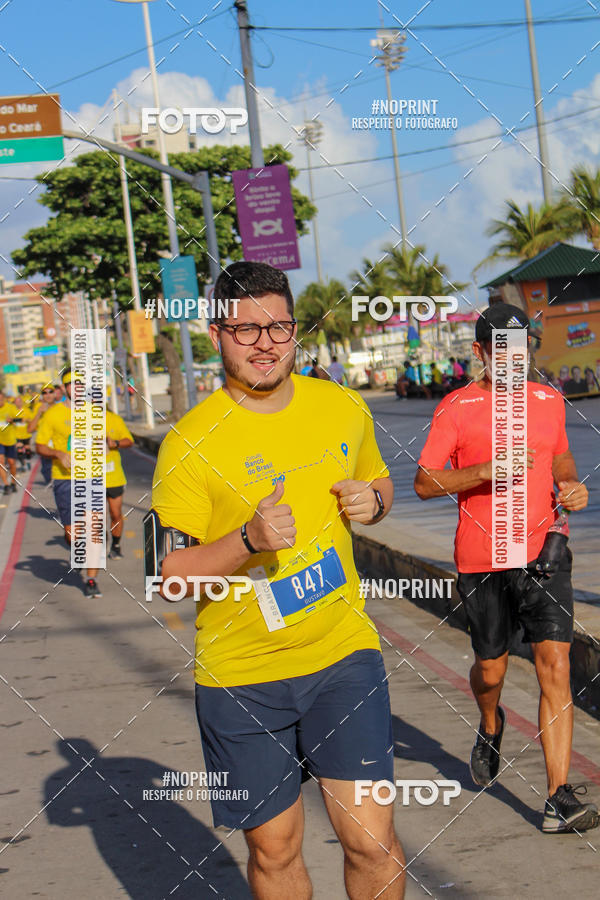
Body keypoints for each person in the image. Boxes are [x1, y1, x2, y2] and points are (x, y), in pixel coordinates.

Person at [151, 261, 405, 899]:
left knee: (372, 840)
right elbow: (169, 575)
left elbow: (380, 482)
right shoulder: (187, 442)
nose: (264, 343)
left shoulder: (341, 407)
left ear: (295, 330)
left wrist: (373, 502)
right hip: (242, 676)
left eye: (279, 327)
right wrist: (246, 541)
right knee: (275, 849)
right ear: (217, 336)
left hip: (342, 653)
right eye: (245, 331)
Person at [414, 302, 598, 834]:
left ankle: (558, 797)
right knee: (491, 668)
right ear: (480, 353)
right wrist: (483, 471)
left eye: (523, 352)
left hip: (545, 550)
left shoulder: (549, 400)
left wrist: (570, 484)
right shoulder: (456, 407)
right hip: (482, 556)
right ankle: (490, 722)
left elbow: (560, 456)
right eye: (503, 353)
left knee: (555, 667)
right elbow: (425, 482)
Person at [35, 370, 102, 599]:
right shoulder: (53, 414)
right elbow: (40, 445)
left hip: (92, 478)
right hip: (65, 480)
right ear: (64, 388)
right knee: (73, 535)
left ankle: (91, 580)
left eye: (80, 383)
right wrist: (58, 453)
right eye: (71, 384)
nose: (76, 387)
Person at [105, 407, 134, 560]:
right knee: (93, 516)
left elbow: (129, 441)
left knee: (115, 514)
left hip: (113, 477)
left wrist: (114, 443)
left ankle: (115, 545)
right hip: (89, 476)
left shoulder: (114, 419)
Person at [28, 382, 57, 485]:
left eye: (50, 392)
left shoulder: (61, 408)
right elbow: (30, 429)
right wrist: (39, 413)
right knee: (51, 480)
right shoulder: (38, 408)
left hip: (61, 448)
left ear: (55, 394)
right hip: (46, 450)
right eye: (44, 393)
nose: (48, 395)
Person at [0, 390, 18, 495]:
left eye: (1, 399)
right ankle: (6, 485)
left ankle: (13, 482)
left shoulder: (10, 408)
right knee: (1, 462)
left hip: (10, 440)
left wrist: (12, 420)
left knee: (11, 463)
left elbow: (20, 419)